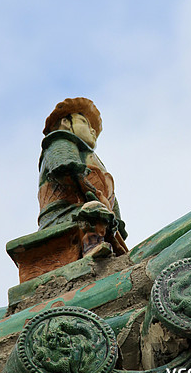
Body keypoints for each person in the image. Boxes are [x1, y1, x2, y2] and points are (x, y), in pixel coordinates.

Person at [38, 97, 128, 255]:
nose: (92, 131)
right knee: (93, 209)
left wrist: (117, 222)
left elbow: (111, 199)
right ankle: (91, 246)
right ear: (66, 123)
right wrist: (92, 193)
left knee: (101, 214)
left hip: (103, 217)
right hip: (65, 214)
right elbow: (65, 169)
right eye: (84, 122)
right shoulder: (60, 142)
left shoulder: (94, 159)